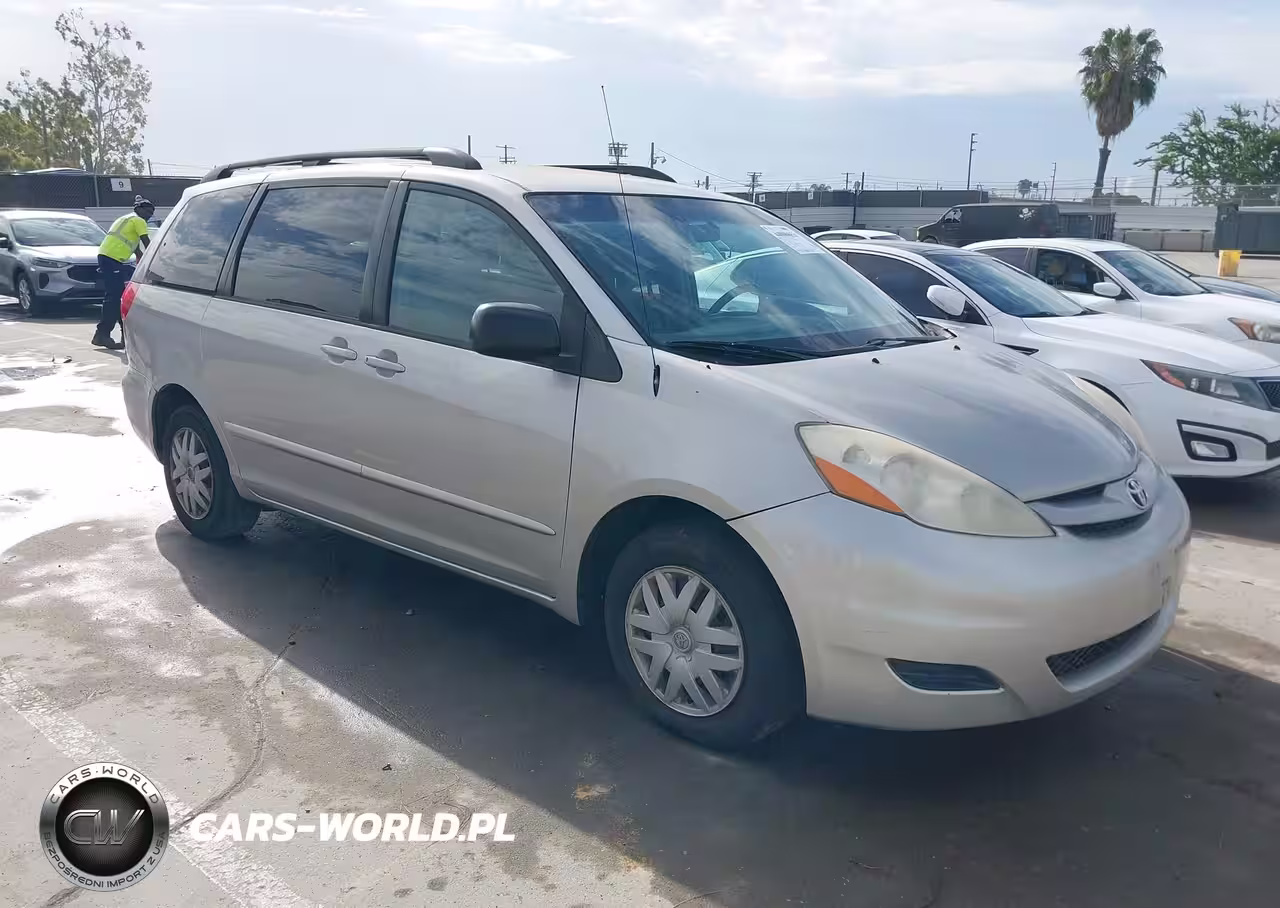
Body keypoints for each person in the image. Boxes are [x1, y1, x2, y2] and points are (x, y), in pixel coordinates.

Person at [94, 195, 155, 350]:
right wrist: (156, 259)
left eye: (151, 213)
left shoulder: (126, 219)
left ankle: (120, 336)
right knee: (114, 298)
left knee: (118, 297)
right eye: (148, 212)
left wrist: (141, 260)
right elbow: (147, 242)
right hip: (112, 259)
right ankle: (102, 334)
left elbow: (135, 247)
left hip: (108, 258)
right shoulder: (138, 220)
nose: (149, 216)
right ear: (139, 209)